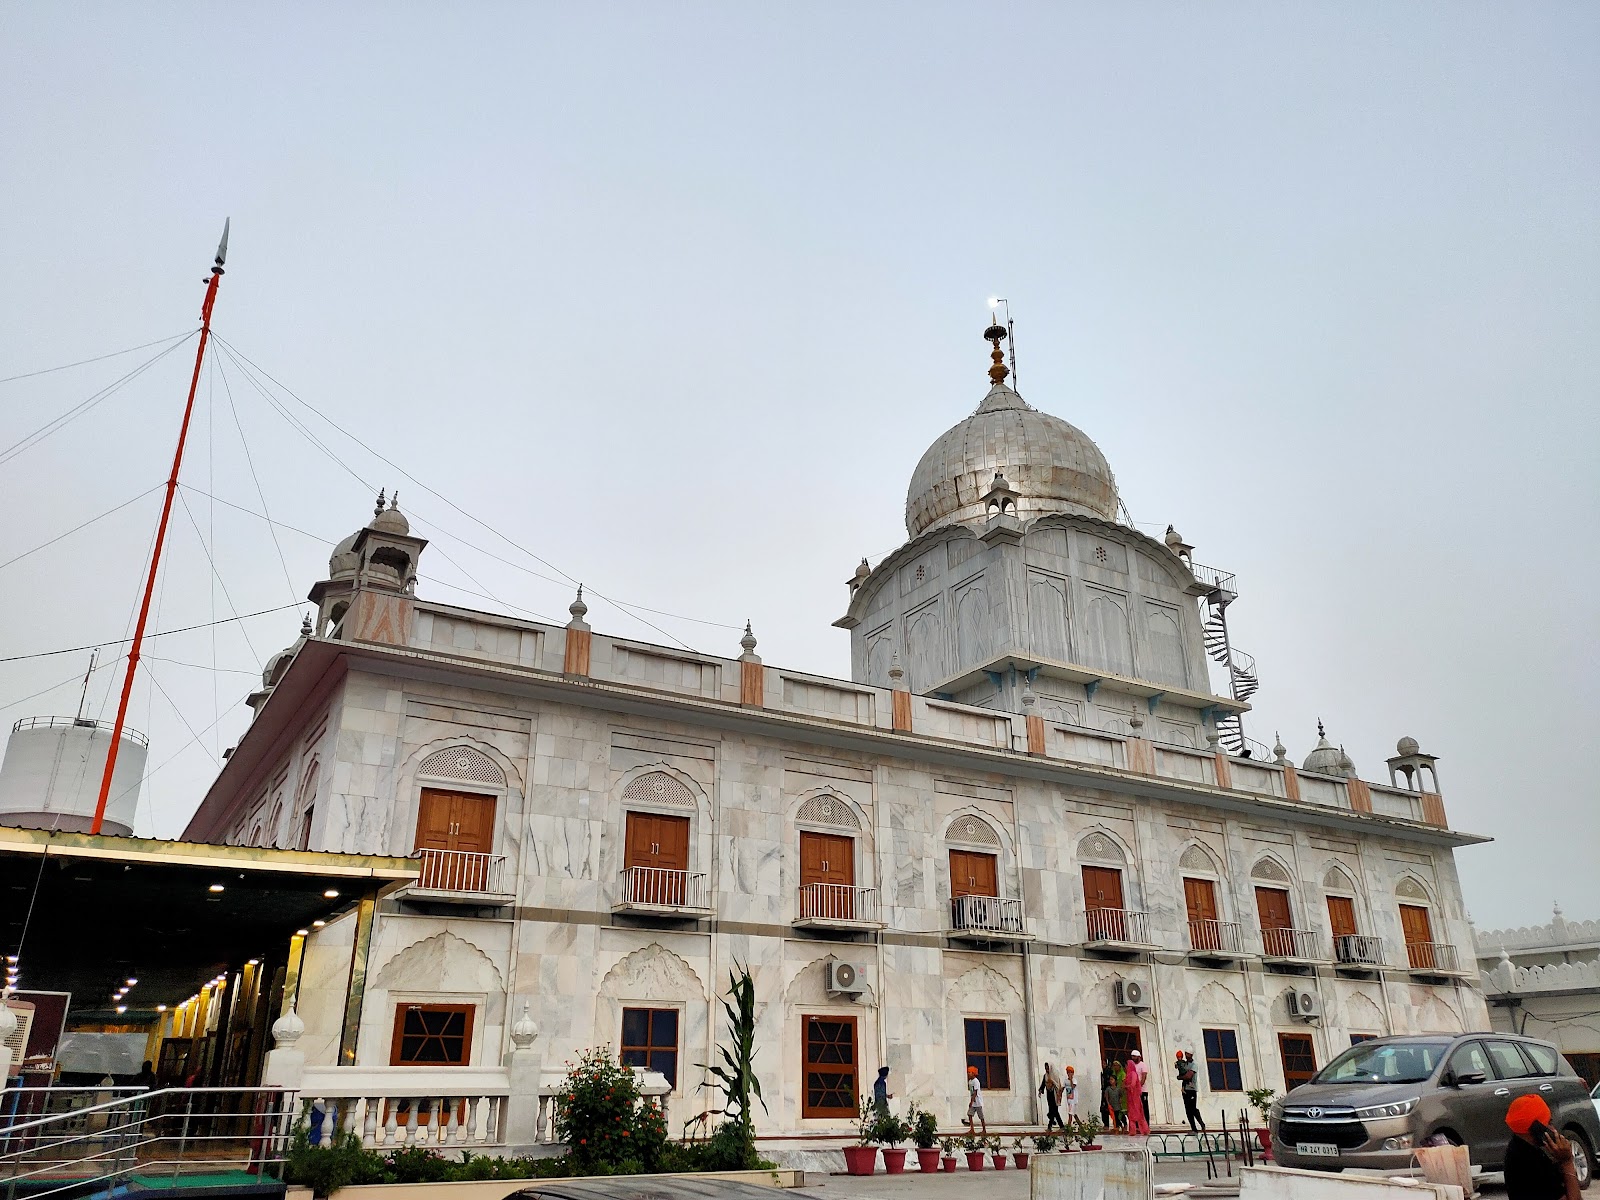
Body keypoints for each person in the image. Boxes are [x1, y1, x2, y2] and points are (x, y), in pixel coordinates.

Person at [1503, 1094, 1580, 1200]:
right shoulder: (1531, 1161)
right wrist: (1567, 1162)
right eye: (1549, 1122)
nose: (1553, 1129)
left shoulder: (1517, 1148)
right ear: (1537, 1127)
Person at [1176, 1051, 1204, 1132]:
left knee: (1192, 1108)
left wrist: (1180, 1077)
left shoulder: (1194, 1064)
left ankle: (1201, 1123)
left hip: (1192, 1089)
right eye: (1186, 1054)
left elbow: (1189, 1076)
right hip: (1185, 1089)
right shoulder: (1185, 1063)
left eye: (1188, 1054)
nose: (1186, 1055)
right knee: (1187, 1109)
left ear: (1191, 1054)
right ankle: (1193, 1128)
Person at [1126, 1051, 1150, 1136]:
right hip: (1133, 1093)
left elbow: (1143, 1078)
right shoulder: (1132, 1068)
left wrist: (1137, 1088)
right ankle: (1135, 1128)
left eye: (1134, 1056)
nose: (1133, 1058)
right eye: (1132, 1056)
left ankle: (1146, 1127)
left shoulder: (1142, 1065)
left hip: (1141, 1091)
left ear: (1138, 1057)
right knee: (1134, 1110)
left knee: (1143, 1109)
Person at [1038, 1061, 1066, 1132]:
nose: (1047, 1070)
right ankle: (1054, 1125)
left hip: (1055, 1094)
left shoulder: (1055, 1074)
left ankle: (1052, 1126)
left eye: (1048, 1068)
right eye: (1046, 1068)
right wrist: (1041, 1091)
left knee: (1054, 1111)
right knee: (1052, 1110)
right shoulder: (1046, 1076)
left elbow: (1058, 1084)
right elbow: (1043, 1084)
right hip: (1049, 1094)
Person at [965, 1065, 987, 1137]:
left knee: (981, 1116)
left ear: (973, 1073)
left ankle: (984, 1129)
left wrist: (971, 1101)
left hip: (977, 1102)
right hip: (973, 1102)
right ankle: (972, 1129)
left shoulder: (976, 1081)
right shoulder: (970, 1081)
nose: (968, 1074)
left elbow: (975, 1092)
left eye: (970, 1072)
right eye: (968, 1072)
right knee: (970, 1114)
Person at [1109, 1061, 1128, 1131]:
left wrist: (1121, 1093)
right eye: (1114, 1065)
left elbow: (1123, 1083)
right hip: (1114, 1094)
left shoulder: (1122, 1074)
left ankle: (1125, 1124)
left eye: (1117, 1065)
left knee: (1121, 1110)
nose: (1115, 1067)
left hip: (1121, 1094)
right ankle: (1118, 1125)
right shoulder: (1113, 1074)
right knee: (1115, 1111)